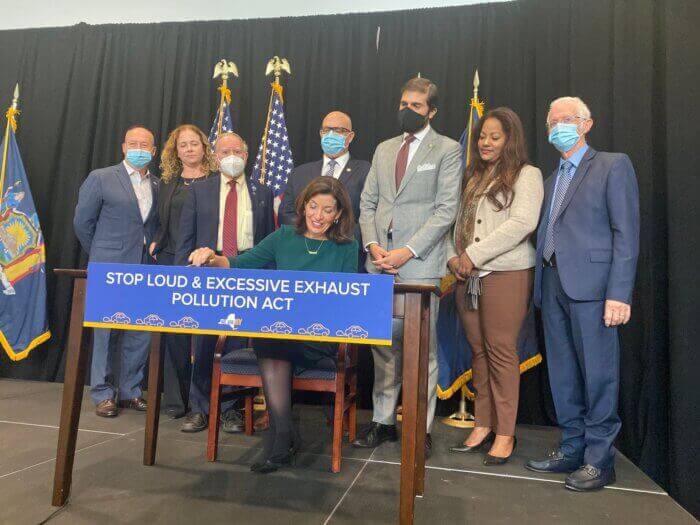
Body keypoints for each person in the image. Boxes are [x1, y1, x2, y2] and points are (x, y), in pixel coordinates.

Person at [188, 176, 358, 473]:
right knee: (269, 338)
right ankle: (283, 436)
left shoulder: (346, 247)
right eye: (313, 206)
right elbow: (240, 263)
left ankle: (283, 439)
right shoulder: (283, 237)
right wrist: (211, 258)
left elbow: (345, 300)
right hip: (279, 334)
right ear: (304, 207)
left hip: (318, 337)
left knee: (271, 340)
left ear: (339, 214)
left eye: (328, 210)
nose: (318, 216)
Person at [526, 97, 639, 491]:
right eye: (552, 120)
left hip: (594, 290)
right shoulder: (549, 179)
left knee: (598, 375)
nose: (558, 126)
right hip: (552, 283)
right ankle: (571, 448)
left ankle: (599, 460)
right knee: (563, 375)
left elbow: (625, 233)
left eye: (567, 119)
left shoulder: (612, 165)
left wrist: (619, 293)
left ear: (586, 124)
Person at [353, 77, 462, 455]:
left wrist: (407, 251)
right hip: (378, 262)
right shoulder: (384, 149)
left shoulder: (447, 150)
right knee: (383, 347)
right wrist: (373, 245)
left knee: (422, 351)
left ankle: (419, 425)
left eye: (416, 106)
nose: (407, 110)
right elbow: (368, 204)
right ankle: (383, 421)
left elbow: (447, 210)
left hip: (419, 265)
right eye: (403, 103)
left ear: (431, 111)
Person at [445, 108, 543, 464]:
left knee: (501, 352)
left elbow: (522, 224)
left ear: (510, 139)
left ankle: (505, 433)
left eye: (494, 137)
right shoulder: (472, 175)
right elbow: (453, 223)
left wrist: (473, 254)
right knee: (479, 353)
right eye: (482, 136)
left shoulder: (526, 175)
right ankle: (482, 424)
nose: (485, 143)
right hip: (465, 276)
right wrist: (453, 258)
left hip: (506, 274)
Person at [175, 132, 275, 433]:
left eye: (237, 151)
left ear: (246, 156)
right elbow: (186, 238)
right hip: (208, 269)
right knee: (204, 340)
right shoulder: (199, 191)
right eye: (224, 151)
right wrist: (185, 273)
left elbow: (268, 241)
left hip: (246, 270)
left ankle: (231, 410)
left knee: (237, 341)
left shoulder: (262, 192)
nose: (231, 156)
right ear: (215, 157)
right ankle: (200, 408)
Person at [73, 125, 160, 417]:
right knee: (105, 332)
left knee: (140, 331)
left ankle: (130, 391)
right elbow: (82, 223)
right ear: (123, 147)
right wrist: (101, 253)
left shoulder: (158, 185)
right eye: (133, 143)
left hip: (145, 268)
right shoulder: (101, 177)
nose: (139, 148)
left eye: (144, 144)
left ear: (154, 151)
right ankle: (102, 392)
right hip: (108, 268)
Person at [150, 124, 218, 419]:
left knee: (204, 335)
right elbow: (158, 219)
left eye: (194, 143)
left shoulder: (218, 181)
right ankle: (177, 400)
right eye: (183, 145)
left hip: (206, 263)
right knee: (174, 333)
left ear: (204, 146)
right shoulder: (168, 182)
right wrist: (156, 239)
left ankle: (205, 400)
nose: (189, 149)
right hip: (170, 262)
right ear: (175, 152)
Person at [279, 110, 370, 268]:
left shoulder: (366, 170)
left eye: (339, 130)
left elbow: (368, 215)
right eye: (327, 130)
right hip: (304, 258)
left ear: (351, 136)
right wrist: (312, 236)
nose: (331, 134)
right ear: (321, 134)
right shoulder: (300, 173)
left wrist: (331, 235)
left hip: (345, 257)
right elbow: (286, 215)